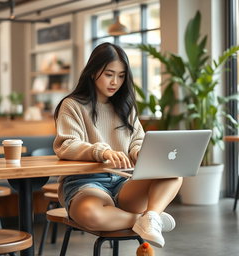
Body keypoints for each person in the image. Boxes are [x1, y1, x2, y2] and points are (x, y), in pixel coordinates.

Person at [53, 42, 183, 248]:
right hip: (85, 183)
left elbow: (137, 139)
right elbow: (66, 145)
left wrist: (138, 151)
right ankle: (149, 219)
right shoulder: (72, 105)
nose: (115, 82)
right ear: (93, 71)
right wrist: (101, 150)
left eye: (121, 76)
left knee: (173, 172)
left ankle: (150, 217)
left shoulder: (126, 106)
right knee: (91, 214)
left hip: (124, 180)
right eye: (109, 74)